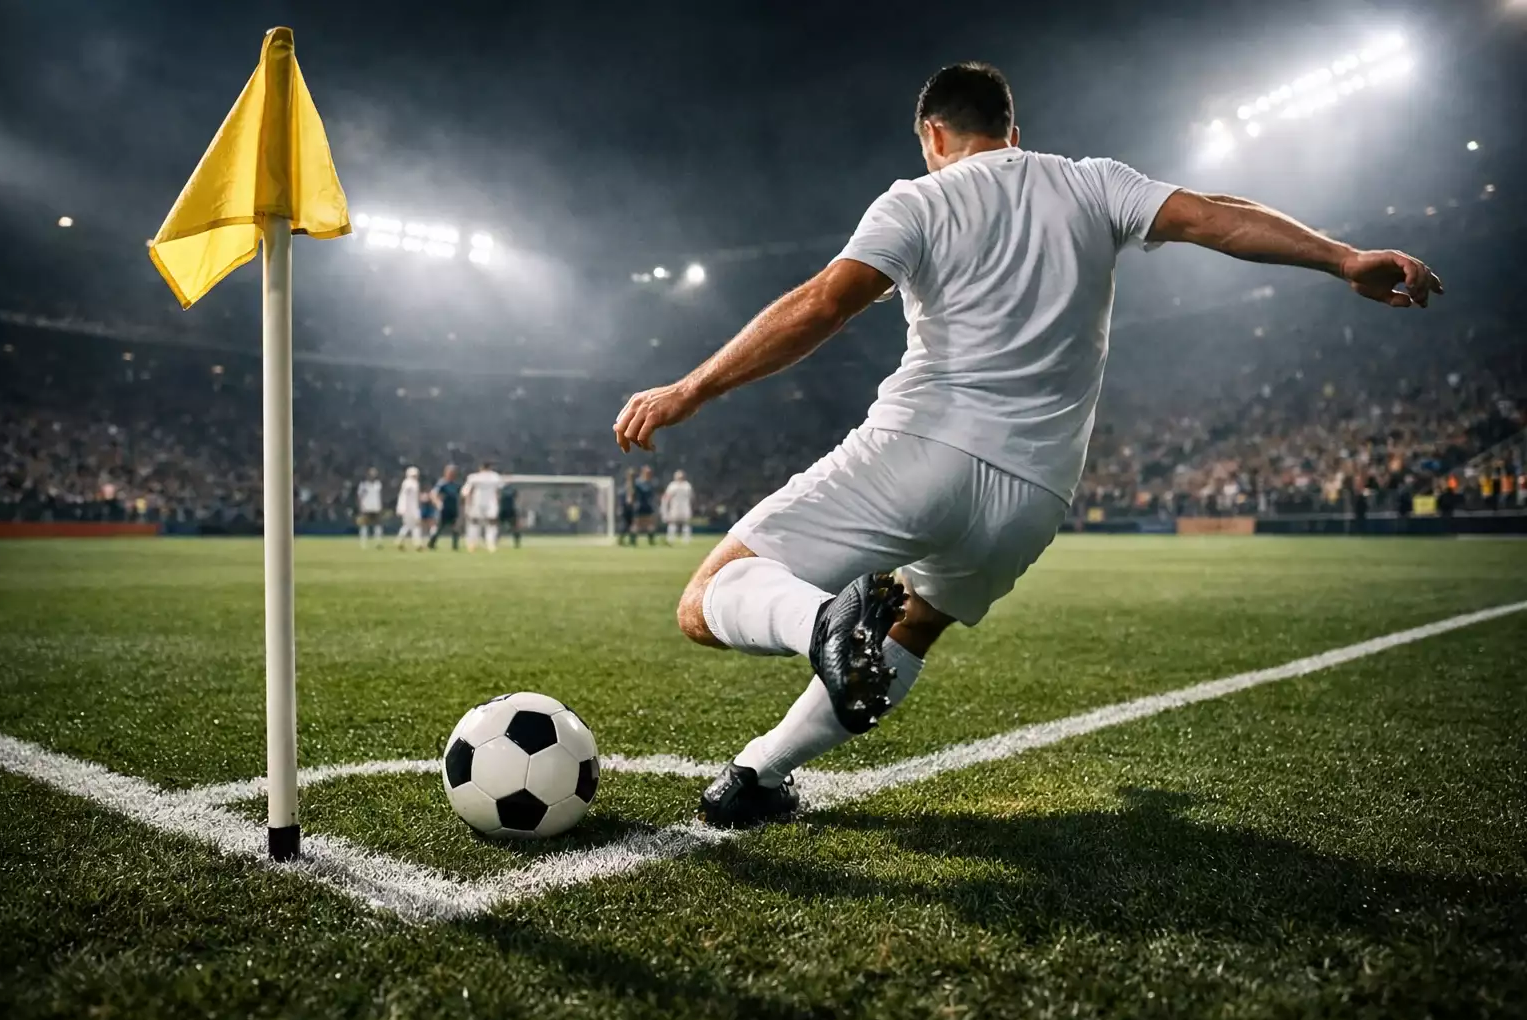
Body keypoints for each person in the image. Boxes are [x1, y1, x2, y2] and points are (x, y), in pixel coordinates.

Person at [611, 61, 1444, 827]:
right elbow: (1216, 218)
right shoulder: (1093, 182)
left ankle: (821, 622)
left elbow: (828, 302)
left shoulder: (918, 199)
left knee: (707, 597)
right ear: (1014, 131)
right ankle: (759, 775)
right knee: (913, 627)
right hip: (1033, 494)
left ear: (933, 133)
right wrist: (1343, 258)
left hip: (920, 451)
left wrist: (692, 388)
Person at [462, 460, 505, 553]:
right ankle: (490, 544)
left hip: (477, 502)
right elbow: (499, 491)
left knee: (474, 523)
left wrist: (467, 504)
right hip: (491, 503)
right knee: (491, 523)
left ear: (481, 467)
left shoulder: (474, 477)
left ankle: (472, 544)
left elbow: (466, 492)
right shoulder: (495, 477)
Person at [428, 465, 463, 551]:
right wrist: (438, 503)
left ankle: (455, 546)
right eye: (450, 473)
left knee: (456, 527)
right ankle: (431, 544)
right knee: (439, 527)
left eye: (453, 473)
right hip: (443, 509)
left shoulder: (456, 485)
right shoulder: (442, 483)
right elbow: (433, 494)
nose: (452, 475)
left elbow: (460, 495)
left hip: (453, 508)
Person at [394, 466, 424, 550]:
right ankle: (416, 543)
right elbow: (403, 497)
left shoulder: (414, 483)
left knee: (412, 526)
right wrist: (402, 508)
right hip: (408, 509)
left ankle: (402, 541)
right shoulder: (408, 483)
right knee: (412, 525)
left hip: (413, 508)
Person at [663, 470, 695, 544]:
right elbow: (667, 497)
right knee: (672, 523)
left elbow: (691, 497)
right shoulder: (672, 485)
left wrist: (691, 506)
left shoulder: (687, 485)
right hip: (675, 507)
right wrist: (667, 507)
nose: (680, 478)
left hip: (685, 507)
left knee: (686, 524)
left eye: (681, 476)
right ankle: (670, 538)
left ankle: (686, 539)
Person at [356, 467, 383, 549]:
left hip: (376, 507)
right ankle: (363, 543)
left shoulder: (378, 484)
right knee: (364, 525)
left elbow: (379, 496)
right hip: (366, 507)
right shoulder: (363, 485)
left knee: (378, 525)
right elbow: (359, 496)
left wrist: (380, 506)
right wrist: (360, 506)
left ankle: (378, 542)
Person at [633, 466, 659, 546]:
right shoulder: (637, 483)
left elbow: (653, 495)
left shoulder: (651, 483)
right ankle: (633, 541)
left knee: (650, 524)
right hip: (639, 505)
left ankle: (651, 540)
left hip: (649, 506)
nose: (649, 474)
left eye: (650, 473)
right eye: (647, 473)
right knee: (637, 524)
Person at [498, 476, 522, 549]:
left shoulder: (513, 489)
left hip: (511, 510)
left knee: (515, 527)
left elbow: (516, 497)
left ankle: (517, 543)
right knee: (497, 526)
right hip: (502, 509)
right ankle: (494, 541)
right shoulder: (500, 489)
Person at [618, 468, 637, 545]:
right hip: (626, 507)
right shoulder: (627, 486)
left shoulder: (634, 485)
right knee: (626, 524)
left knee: (632, 524)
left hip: (631, 507)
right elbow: (626, 497)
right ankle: (622, 539)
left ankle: (631, 540)